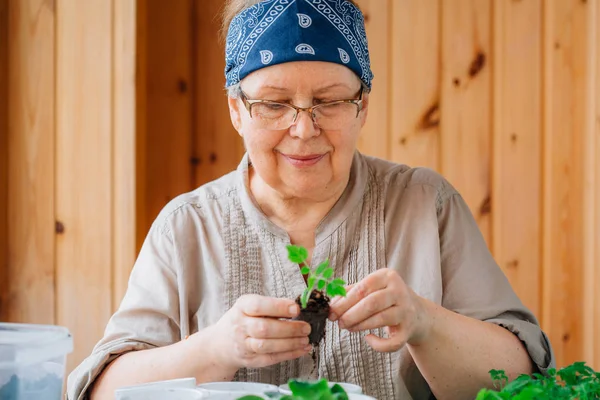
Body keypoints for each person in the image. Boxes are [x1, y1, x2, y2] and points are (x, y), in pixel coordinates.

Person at [66, 0, 555, 399]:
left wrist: (425, 323)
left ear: (363, 106)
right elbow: (100, 390)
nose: (303, 130)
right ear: (236, 110)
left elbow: (524, 378)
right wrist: (217, 347)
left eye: (330, 101)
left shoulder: (428, 206)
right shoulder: (186, 228)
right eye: (274, 104)